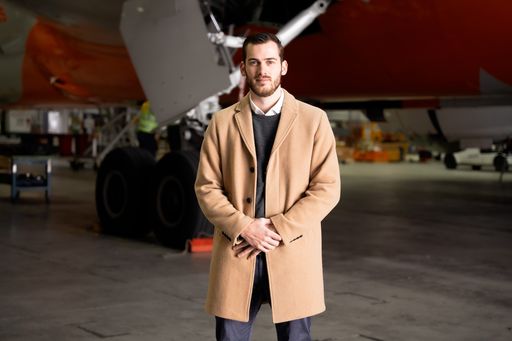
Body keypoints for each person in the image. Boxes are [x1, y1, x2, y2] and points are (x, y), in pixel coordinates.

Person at [195, 32, 341, 341]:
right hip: (238, 252)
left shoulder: (314, 120)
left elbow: (327, 188)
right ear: (244, 69)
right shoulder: (221, 123)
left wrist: (277, 228)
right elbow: (207, 187)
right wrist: (243, 226)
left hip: (291, 252)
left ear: (283, 67)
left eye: (270, 62)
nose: (263, 70)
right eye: (254, 62)